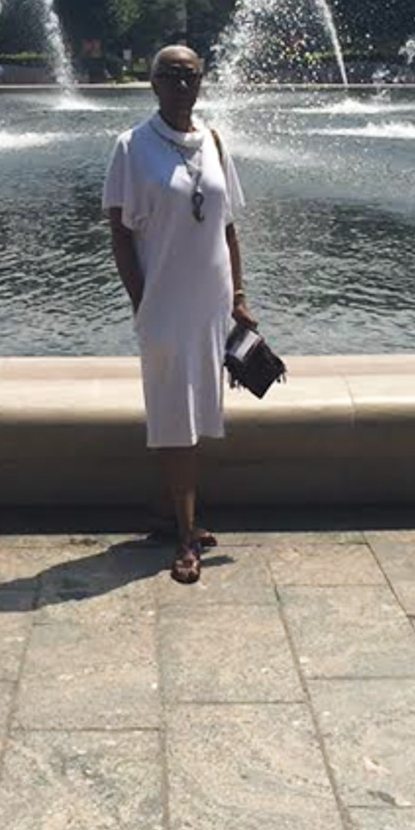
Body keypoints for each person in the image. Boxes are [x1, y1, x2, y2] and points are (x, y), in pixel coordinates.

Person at [103, 44, 257, 583]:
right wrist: (140, 298)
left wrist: (238, 297)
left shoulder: (213, 141)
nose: (182, 84)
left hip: (211, 305)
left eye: (191, 75)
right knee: (175, 417)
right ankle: (187, 537)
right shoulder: (131, 147)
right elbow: (120, 234)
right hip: (164, 304)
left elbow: (228, 227)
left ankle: (171, 512)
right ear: (153, 83)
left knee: (196, 413)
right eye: (170, 75)